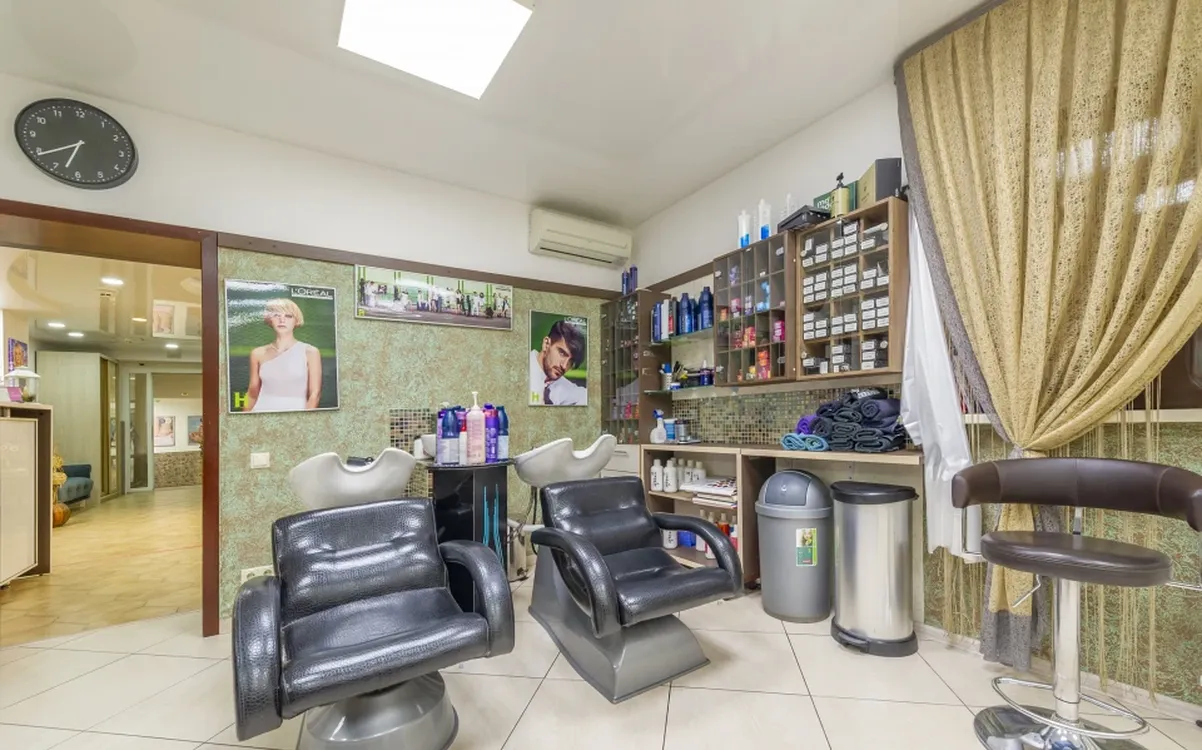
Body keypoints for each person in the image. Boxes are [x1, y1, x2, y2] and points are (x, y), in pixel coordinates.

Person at [244, 298, 322, 412]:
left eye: (288, 316)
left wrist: (304, 419)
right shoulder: (257, 353)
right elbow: (251, 393)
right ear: (270, 319)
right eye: (276, 315)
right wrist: (243, 417)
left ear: (296, 320)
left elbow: (315, 394)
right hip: (260, 414)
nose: (282, 320)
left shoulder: (310, 352)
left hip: (296, 416)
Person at [529, 319, 587, 405]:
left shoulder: (564, 387)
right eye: (562, 353)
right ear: (546, 344)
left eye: (571, 361)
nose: (564, 366)